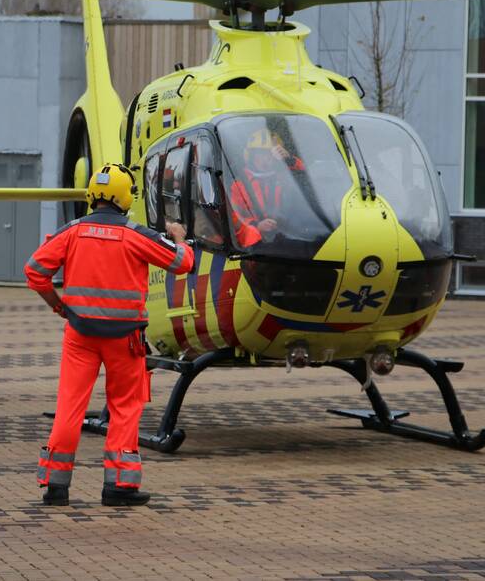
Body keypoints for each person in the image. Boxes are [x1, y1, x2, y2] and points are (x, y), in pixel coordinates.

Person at [24, 163, 193, 507]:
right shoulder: (136, 234)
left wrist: (60, 307)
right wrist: (178, 236)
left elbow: (35, 271)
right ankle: (118, 487)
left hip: (80, 334)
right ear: (124, 197)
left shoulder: (71, 231)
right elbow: (182, 263)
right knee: (124, 408)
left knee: (70, 407)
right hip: (125, 339)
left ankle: (56, 486)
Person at [228, 128, 305, 247]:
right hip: (256, 244)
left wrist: (289, 160)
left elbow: (306, 179)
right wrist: (256, 225)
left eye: (270, 155)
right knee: (252, 235)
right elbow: (235, 216)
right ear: (251, 156)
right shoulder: (239, 184)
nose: (266, 160)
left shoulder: (284, 175)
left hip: (287, 235)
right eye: (260, 155)